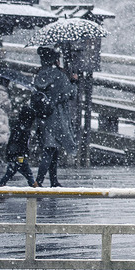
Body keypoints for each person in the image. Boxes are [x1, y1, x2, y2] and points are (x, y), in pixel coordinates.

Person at [33, 46, 78, 187]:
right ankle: (39, 181)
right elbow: (71, 94)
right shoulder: (59, 75)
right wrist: (73, 81)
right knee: (50, 150)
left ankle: (53, 180)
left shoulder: (40, 74)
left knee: (51, 149)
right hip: (56, 117)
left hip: (43, 116)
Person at [0, 95, 39, 187]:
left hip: (16, 155)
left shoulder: (19, 127)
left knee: (11, 172)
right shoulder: (23, 129)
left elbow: (14, 142)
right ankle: (34, 186)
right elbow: (20, 143)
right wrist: (22, 153)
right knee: (26, 172)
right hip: (19, 155)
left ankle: (0, 186)